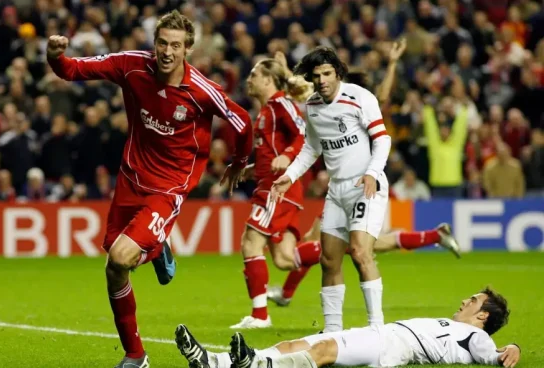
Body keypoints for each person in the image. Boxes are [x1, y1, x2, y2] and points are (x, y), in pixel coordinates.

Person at [46, 10, 253, 368]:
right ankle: (136, 355)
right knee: (114, 269)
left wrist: (237, 162)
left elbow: (242, 121)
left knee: (120, 257)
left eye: (176, 45)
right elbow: (72, 70)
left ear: (188, 49)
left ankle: (152, 249)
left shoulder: (201, 90)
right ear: (153, 43)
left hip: (167, 189)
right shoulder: (130, 65)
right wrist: (55, 55)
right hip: (130, 179)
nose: (167, 51)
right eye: (162, 43)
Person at [271, 46, 392, 333]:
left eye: (327, 73)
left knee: (361, 253)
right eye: (317, 76)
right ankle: (333, 332)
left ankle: (378, 329)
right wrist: (290, 176)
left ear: (337, 73)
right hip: (337, 191)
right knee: (328, 260)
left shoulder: (360, 97)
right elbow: (311, 148)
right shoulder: (312, 106)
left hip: (366, 186)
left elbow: (382, 139)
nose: (322, 80)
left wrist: (372, 173)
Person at [175, 288, 521, 368]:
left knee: (322, 353)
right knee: (296, 343)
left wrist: (511, 350)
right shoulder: (457, 326)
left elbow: (491, 357)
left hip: (393, 346)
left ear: (484, 317)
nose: (465, 301)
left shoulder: (476, 336)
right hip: (383, 332)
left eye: (474, 301)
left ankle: (258, 367)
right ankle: (215, 362)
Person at [230, 58, 322, 329]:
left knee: (250, 242)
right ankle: (339, 248)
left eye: (255, 74)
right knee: (284, 259)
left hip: (278, 187)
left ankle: (259, 317)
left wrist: (287, 155)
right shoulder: (266, 111)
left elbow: (304, 134)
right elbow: (271, 152)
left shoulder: (281, 104)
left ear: (269, 80)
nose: (249, 79)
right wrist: (250, 169)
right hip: (271, 183)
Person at [267, 222, 460, 306]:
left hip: (355, 199)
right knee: (382, 243)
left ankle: (285, 295)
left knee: (324, 248)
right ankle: (437, 235)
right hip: (355, 197)